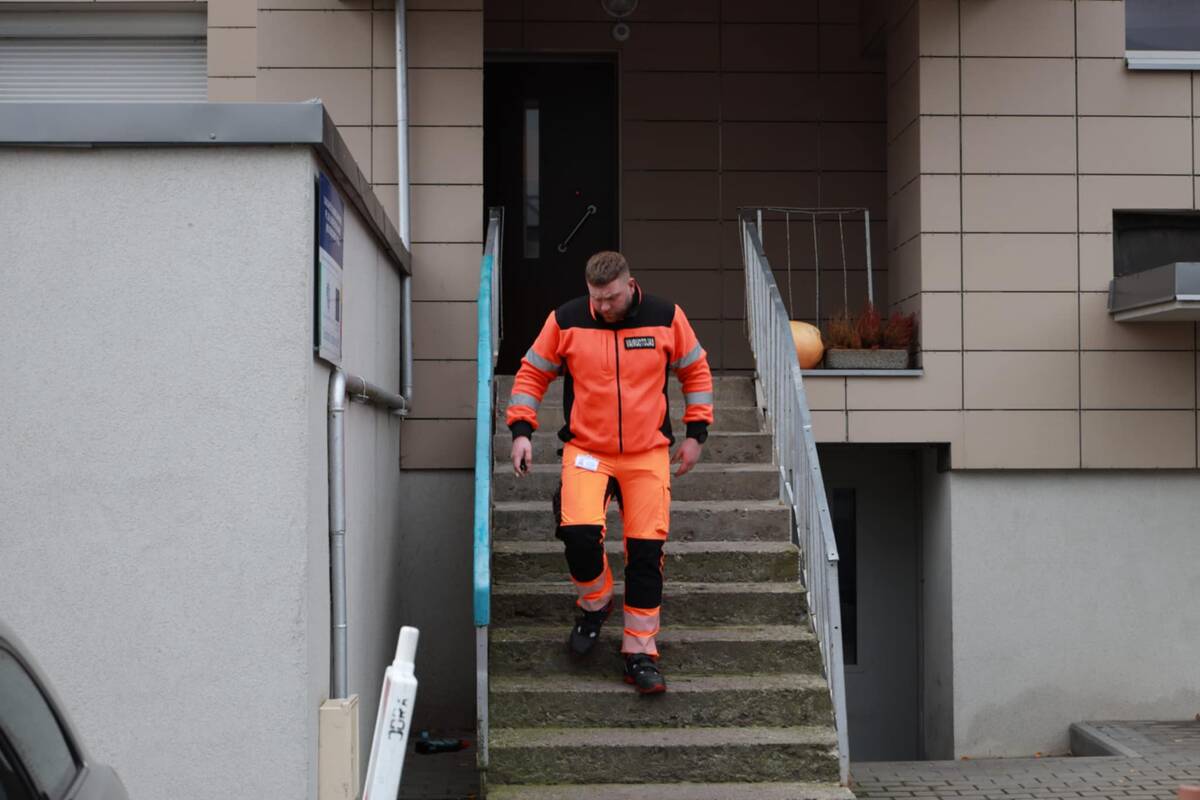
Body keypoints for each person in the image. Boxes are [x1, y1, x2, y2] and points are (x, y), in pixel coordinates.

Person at [506, 250, 714, 694]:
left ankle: (640, 652)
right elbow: (532, 373)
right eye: (596, 298)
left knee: (645, 554)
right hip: (587, 450)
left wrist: (697, 433)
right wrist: (521, 430)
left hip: (647, 453)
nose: (602, 307)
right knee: (578, 534)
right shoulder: (566, 320)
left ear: (630, 285)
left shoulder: (665, 316)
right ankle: (596, 602)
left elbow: (695, 370)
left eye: (611, 298)